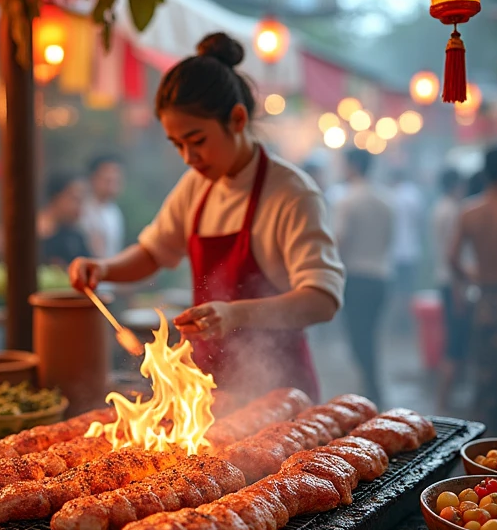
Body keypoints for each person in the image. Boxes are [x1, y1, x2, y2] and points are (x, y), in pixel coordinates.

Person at [69, 32, 344, 400]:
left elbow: (322, 300)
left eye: (197, 141)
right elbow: (154, 252)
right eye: (178, 144)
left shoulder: (292, 193)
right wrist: (104, 269)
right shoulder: (196, 186)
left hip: (280, 391)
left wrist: (234, 315)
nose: (188, 156)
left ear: (237, 118)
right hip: (210, 391)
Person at [449, 145, 497, 434]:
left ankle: (485, 436)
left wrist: (474, 277)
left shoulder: (469, 212)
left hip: (484, 299)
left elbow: (452, 258)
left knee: (485, 373)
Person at [332, 148, 394, 409]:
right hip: (380, 277)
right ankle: (371, 387)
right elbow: (390, 239)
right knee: (370, 335)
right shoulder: (385, 200)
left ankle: (370, 390)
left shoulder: (348, 200)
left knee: (359, 337)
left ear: (353, 166)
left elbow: (340, 242)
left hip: (356, 277)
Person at [432, 167, 468, 411]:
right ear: (456, 185)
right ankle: (444, 399)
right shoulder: (454, 211)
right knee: (455, 343)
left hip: (445, 281)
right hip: (453, 283)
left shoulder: (439, 208)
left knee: (452, 339)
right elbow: (452, 255)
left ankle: (445, 397)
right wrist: (459, 290)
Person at [389, 167, 424, 331]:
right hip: (410, 250)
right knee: (408, 289)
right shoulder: (413, 195)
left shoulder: (389, 196)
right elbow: (419, 222)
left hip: (393, 252)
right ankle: (407, 323)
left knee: (396, 290)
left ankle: (399, 324)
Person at [39, 172, 90, 268]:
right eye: (75, 199)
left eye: (82, 201)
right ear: (55, 198)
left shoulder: (76, 237)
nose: (80, 207)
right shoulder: (30, 236)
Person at [80, 155, 126, 260]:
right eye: (107, 180)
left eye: (116, 180)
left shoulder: (114, 211)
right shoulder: (82, 209)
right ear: (93, 178)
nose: (112, 184)